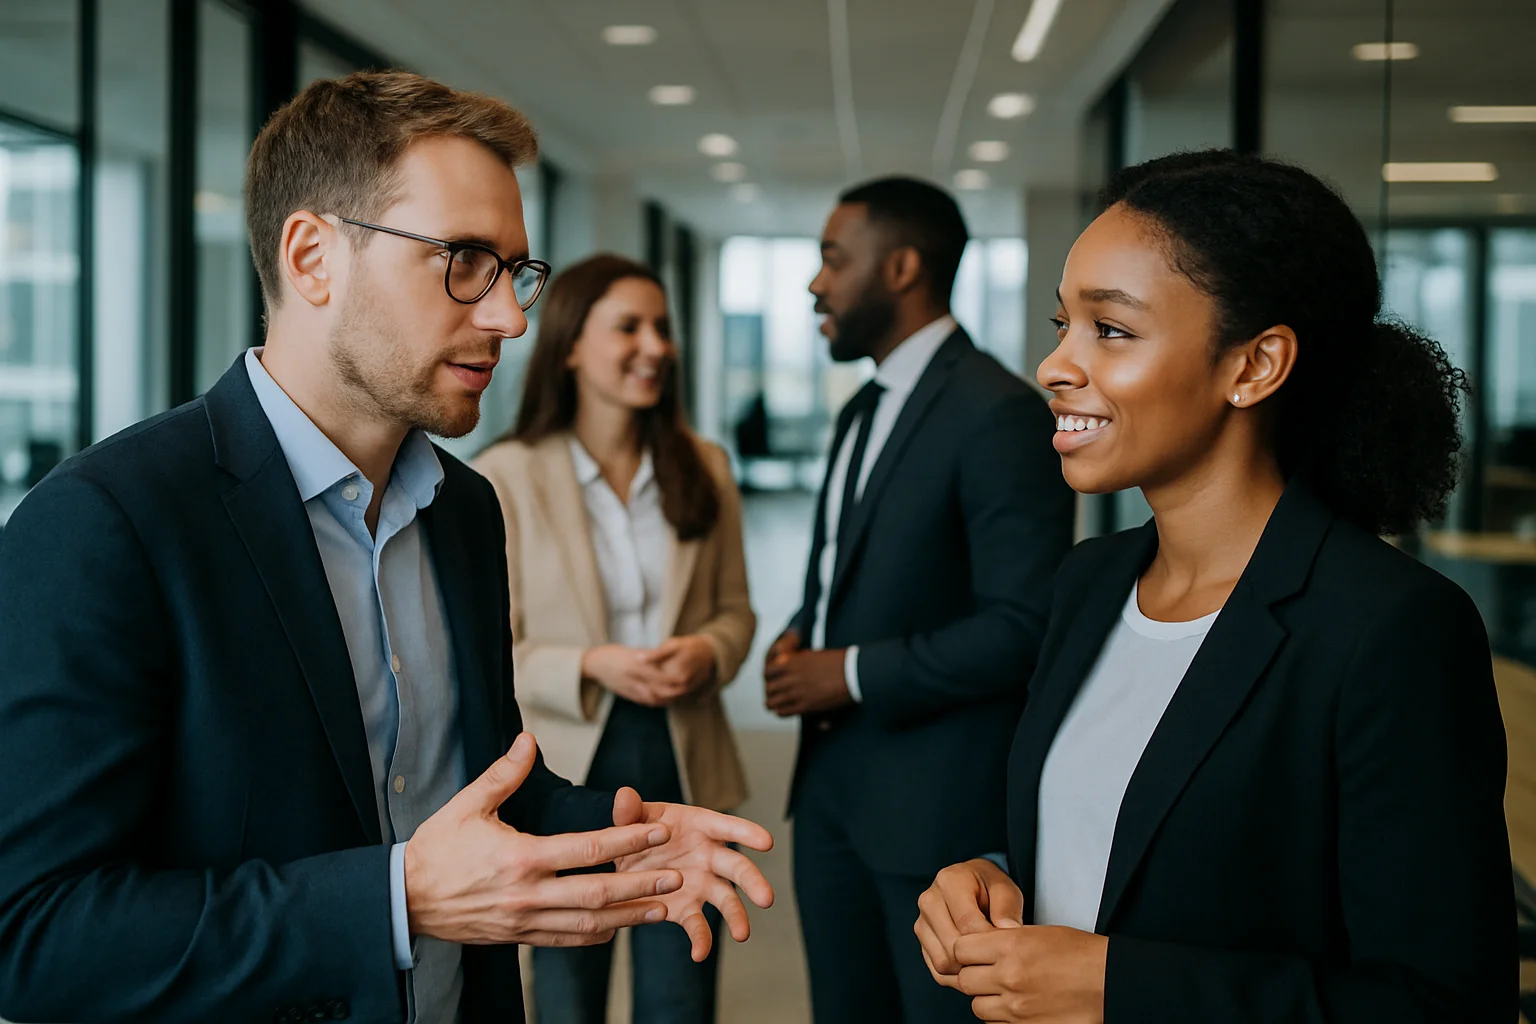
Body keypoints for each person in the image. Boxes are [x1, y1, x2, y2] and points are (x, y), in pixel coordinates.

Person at [0, 71, 773, 1024]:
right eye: (462, 260)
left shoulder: (464, 511)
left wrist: (612, 832)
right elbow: (34, 934)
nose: (511, 318)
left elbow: (456, 797)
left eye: (515, 271)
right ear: (313, 257)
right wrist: (395, 900)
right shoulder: (108, 522)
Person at [916, 150, 1514, 1023]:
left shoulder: (1390, 629)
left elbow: (1443, 1004)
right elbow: (1129, 858)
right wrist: (992, 877)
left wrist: (1119, 987)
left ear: (1255, 365)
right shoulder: (1089, 584)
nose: (1054, 366)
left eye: (1110, 330)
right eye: (1061, 325)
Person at [765, 176, 1075, 1022]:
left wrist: (851, 673)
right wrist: (804, 634)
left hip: (931, 816)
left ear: (901, 267)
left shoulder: (999, 413)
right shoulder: (861, 409)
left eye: (833, 259)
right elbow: (855, 568)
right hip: (829, 790)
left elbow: (1025, 624)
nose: (814, 283)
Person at [472, 254, 756, 1024]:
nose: (656, 346)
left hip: (682, 752)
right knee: (565, 997)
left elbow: (736, 613)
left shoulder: (706, 467)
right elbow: (495, 652)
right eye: (628, 327)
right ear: (568, 345)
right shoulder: (504, 478)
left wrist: (708, 652)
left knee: (682, 991)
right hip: (567, 764)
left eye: (662, 329)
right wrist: (593, 663)